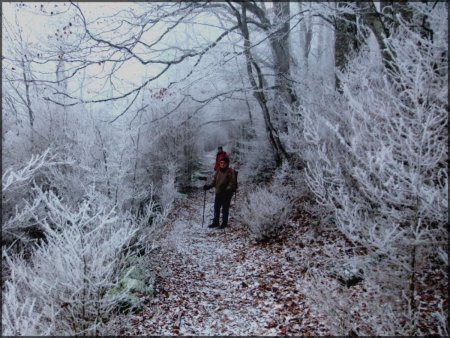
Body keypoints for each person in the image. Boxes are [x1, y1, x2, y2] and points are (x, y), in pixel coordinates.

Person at [203, 156, 237, 229]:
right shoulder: (218, 171)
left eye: (223, 163)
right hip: (219, 192)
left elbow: (232, 183)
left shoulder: (230, 171)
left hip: (226, 193)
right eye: (221, 163)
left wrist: (227, 189)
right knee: (216, 207)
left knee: (225, 208)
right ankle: (216, 222)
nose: (222, 164)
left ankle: (224, 223)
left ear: (227, 163)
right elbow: (214, 181)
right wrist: (209, 186)